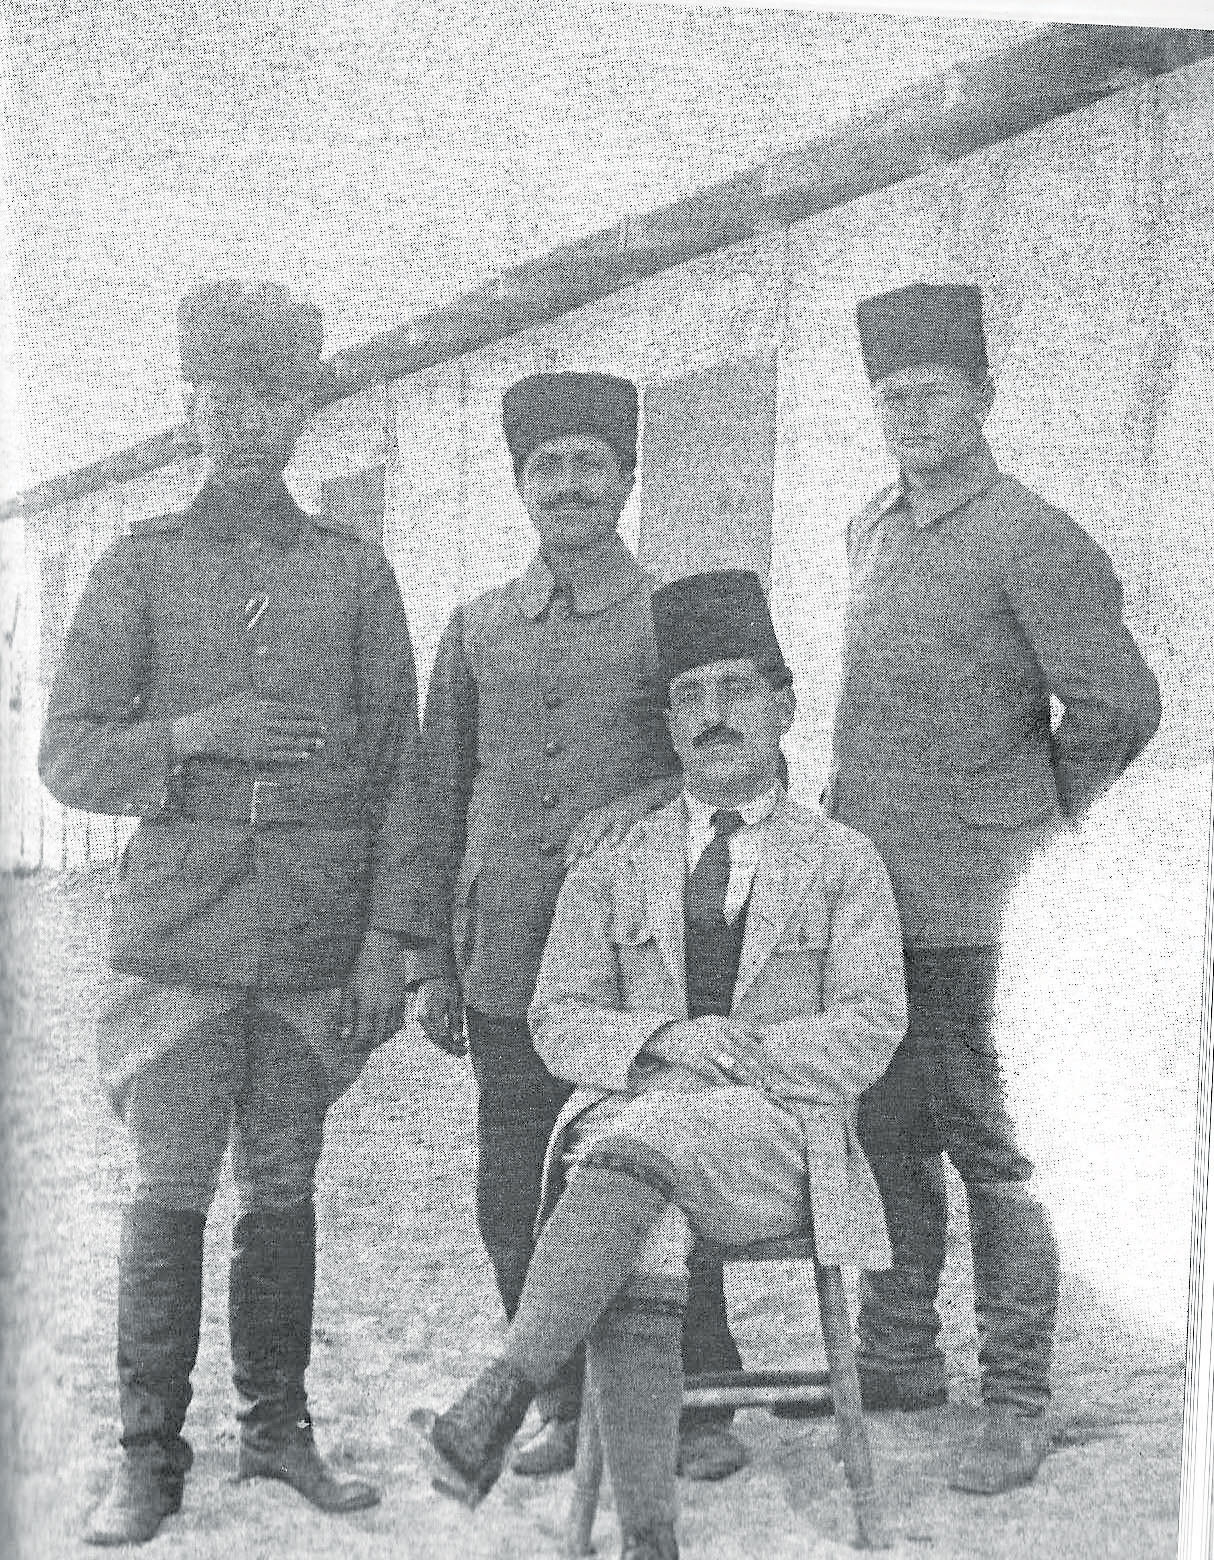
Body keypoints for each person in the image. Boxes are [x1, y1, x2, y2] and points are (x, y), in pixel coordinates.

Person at [39, 280, 438, 1544]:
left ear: (302, 410)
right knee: (168, 1187)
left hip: (314, 937)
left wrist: (384, 945)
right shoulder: (137, 566)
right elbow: (65, 754)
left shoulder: (355, 575)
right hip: (179, 944)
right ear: (191, 408)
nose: (248, 420)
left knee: (283, 1184)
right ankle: (146, 1453)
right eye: (224, 397)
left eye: (274, 397)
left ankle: (277, 1430)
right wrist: (193, 733)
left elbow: (404, 773)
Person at [413, 568, 907, 1560]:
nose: (712, 715)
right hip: (639, 1141)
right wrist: (662, 1041)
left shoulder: (841, 860)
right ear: (669, 725)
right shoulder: (615, 862)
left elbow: (872, 1024)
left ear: (782, 707)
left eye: (735, 690)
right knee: (642, 1224)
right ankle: (649, 1539)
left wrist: (741, 1055)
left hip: (776, 1143)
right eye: (689, 696)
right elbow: (555, 1018)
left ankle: (504, 1389)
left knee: (631, 1142)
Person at [824, 281, 1163, 1494]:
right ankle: (900, 1354)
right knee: (885, 1131)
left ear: (981, 395)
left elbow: (1117, 704)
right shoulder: (869, 528)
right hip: (872, 897)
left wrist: (1031, 818)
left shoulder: (1032, 534)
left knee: (998, 1150)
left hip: (985, 909)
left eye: (929, 392)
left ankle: (1016, 1397)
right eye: (889, 397)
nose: (908, 414)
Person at [411, 372, 749, 1479]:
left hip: (643, 960)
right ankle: (559, 1399)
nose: (567, 484)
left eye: (588, 464)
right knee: (514, 1184)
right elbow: (436, 794)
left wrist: (641, 802)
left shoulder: (673, 616)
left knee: (660, 1166)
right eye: (545, 467)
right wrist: (429, 963)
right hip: (506, 951)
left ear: (627, 478)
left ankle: (693, 1405)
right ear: (519, 485)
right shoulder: (475, 627)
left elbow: (742, 763)